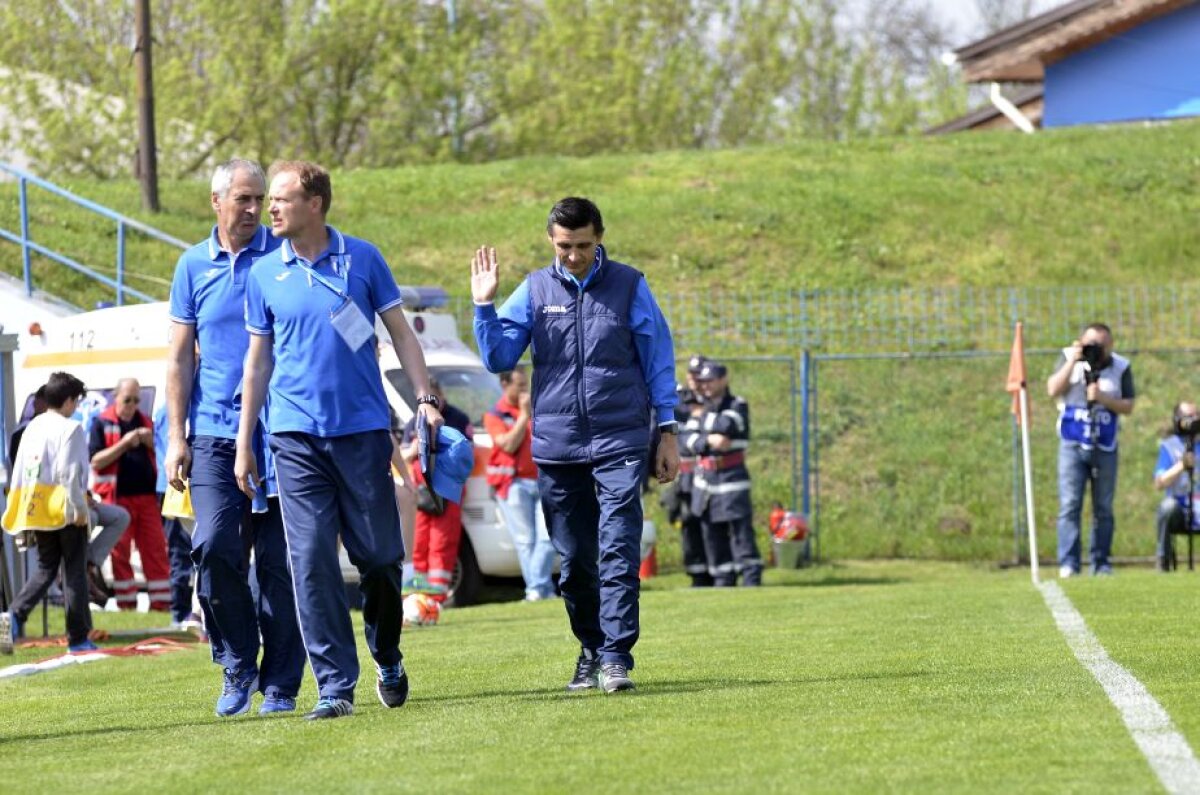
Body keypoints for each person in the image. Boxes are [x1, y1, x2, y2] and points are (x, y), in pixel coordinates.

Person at [235, 159, 443, 720]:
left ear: (316, 203)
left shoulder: (363, 258)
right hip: (293, 436)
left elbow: (400, 334)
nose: (269, 209)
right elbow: (257, 363)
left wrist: (424, 399)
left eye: (281, 199)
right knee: (310, 561)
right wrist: (243, 442)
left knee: (377, 559)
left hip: (361, 433)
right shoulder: (263, 274)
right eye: (268, 201)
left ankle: (388, 654)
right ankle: (334, 687)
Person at [471, 196, 679, 694]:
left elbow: (658, 357)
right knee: (575, 558)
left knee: (618, 548)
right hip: (558, 445)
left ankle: (615, 658)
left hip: (620, 438)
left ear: (599, 237)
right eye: (564, 246)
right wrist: (483, 304)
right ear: (551, 241)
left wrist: (667, 430)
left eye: (583, 245)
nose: (573, 255)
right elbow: (498, 355)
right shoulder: (535, 290)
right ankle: (589, 649)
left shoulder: (630, 286)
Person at [163, 158, 305, 717]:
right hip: (217, 435)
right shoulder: (191, 266)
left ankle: (281, 684)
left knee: (280, 565)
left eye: (259, 199)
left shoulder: (286, 255)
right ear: (216, 203)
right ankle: (237, 661)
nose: (253, 209)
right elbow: (177, 358)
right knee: (215, 546)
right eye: (242, 199)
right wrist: (177, 436)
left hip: (284, 434)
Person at [0, 372, 97, 655]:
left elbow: (20, 468)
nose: (76, 406)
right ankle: (78, 638)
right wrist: (80, 511)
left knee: (45, 569)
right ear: (68, 401)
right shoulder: (71, 429)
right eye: (76, 401)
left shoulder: (33, 426)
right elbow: (71, 474)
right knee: (74, 572)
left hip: (36, 506)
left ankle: (14, 615)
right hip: (65, 509)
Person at [1046, 322, 1135, 577]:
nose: (1096, 349)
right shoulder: (1068, 358)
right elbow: (1052, 389)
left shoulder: (1121, 366)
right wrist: (1072, 362)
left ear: (1111, 345)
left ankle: (1101, 563)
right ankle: (1069, 564)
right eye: (1091, 344)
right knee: (1070, 504)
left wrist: (1103, 398)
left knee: (1103, 507)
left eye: (1102, 344)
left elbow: (1128, 406)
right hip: (1072, 443)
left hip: (1105, 445)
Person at [89, 378, 172, 611]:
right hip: (117, 499)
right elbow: (95, 461)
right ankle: (127, 606)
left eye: (137, 400)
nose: (132, 405)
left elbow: (167, 454)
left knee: (155, 552)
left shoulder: (146, 423)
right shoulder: (102, 423)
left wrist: (150, 443)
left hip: (147, 499)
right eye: (127, 400)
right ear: (116, 397)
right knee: (121, 554)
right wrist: (125, 444)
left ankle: (161, 606)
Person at [685, 360, 762, 587]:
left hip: (732, 479)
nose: (707, 386)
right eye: (704, 381)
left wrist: (702, 421)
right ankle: (723, 580)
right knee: (712, 535)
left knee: (741, 532)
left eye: (712, 381)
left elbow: (729, 424)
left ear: (723, 380)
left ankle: (751, 578)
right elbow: (683, 441)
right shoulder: (700, 409)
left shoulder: (737, 404)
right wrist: (708, 439)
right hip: (706, 482)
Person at [484, 367, 558, 602]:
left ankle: (536, 589)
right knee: (525, 541)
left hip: (541, 481)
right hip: (512, 484)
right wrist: (524, 416)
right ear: (505, 385)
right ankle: (540, 591)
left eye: (526, 384)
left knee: (548, 538)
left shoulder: (538, 408)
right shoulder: (495, 414)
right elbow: (507, 445)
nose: (525, 390)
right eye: (520, 385)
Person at [401, 378, 474, 602]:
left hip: (448, 489)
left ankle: (437, 595)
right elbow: (403, 454)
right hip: (421, 491)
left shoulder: (458, 419)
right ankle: (418, 595)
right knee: (418, 542)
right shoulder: (414, 421)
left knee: (443, 541)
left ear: (440, 394)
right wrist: (413, 449)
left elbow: (467, 454)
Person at [153, 402, 196, 627]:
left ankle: (182, 613)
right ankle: (181, 613)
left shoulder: (163, 410)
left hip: (168, 487)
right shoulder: (183, 409)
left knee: (180, 553)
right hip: (181, 487)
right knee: (183, 553)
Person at [1154, 402, 1200, 572]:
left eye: (1196, 415)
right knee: (1166, 508)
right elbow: (1159, 482)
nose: (1194, 420)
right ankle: (1163, 561)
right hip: (1180, 508)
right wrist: (1182, 465)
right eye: (1189, 416)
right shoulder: (1169, 446)